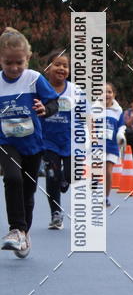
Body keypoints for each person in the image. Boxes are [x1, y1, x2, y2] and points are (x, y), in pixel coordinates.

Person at [0, 27, 59, 257]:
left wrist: (46, 108)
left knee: (28, 189)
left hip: (33, 144)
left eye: (19, 63)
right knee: (12, 178)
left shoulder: (34, 78)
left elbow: (54, 102)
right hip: (6, 142)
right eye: (8, 63)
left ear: (28, 58)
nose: (14, 68)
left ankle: (24, 232)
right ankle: (15, 229)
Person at [42, 49, 76, 230]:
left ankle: (65, 179)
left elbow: (85, 115)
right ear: (48, 68)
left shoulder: (74, 90)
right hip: (48, 141)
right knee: (52, 175)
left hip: (69, 140)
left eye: (65, 65)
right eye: (57, 64)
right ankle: (56, 213)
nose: (61, 68)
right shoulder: (41, 88)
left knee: (68, 177)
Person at [93, 82, 125, 207]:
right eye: (103, 92)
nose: (106, 94)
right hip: (97, 146)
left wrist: (121, 135)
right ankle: (94, 182)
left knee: (108, 171)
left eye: (109, 92)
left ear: (114, 94)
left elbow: (122, 126)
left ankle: (105, 197)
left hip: (112, 146)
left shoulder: (118, 111)